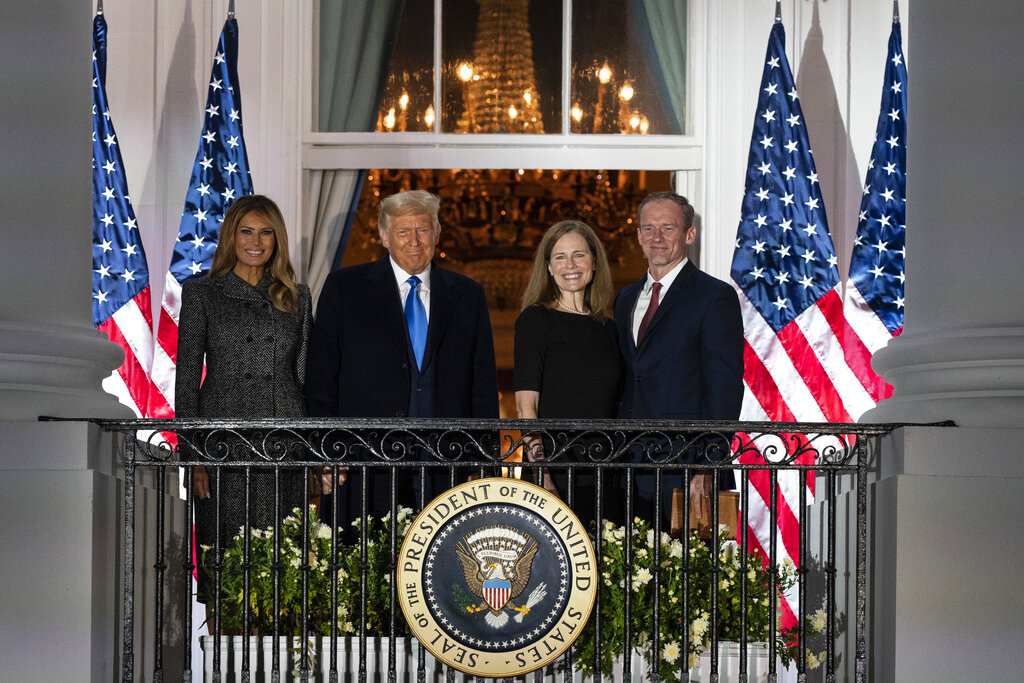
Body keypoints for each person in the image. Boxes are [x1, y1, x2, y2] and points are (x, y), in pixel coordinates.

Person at [305, 189, 499, 523]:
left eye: (422, 230)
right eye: (403, 231)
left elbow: (482, 384)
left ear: (436, 234)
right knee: (362, 569)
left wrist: (483, 462)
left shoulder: (468, 295)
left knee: (441, 570)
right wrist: (325, 450)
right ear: (384, 236)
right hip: (363, 463)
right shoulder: (344, 289)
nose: (414, 240)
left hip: (446, 466)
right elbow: (322, 378)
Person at [175, 194, 313, 604]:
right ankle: (225, 666)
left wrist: (311, 454)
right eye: (247, 231)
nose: (256, 241)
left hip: (283, 444)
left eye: (266, 232)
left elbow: (304, 378)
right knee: (226, 571)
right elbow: (185, 379)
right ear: (231, 237)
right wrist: (194, 456)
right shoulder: (202, 294)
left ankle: (279, 667)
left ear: (277, 239)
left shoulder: (297, 296)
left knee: (285, 571)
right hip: (223, 446)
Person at [613, 191, 744, 526]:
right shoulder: (625, 299)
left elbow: (724, 385)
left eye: (667, 228)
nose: (656, 238)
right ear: (639, 235)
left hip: (686, 468)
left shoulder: (714, 297)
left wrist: (708, 463)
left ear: (689, 235)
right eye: (648, 228)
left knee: (686, 575)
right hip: (628, 467)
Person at [514, 220, 622, 519]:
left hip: (607, 469)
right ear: (548, 267)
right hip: (555, 472)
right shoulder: (535, 321)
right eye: (559, 257)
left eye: (579, 255)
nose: (570, 265)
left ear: (595, 262)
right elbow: (526, 405)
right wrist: (542, 474)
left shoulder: (610, 328)